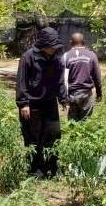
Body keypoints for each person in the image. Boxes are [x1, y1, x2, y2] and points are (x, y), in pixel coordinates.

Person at [16, 27, 68, 178]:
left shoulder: (56, 58)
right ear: (44, 44)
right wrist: (23, 103)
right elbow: (21, 81)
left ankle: (52, 167)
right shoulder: (28, 57)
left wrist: (63, 99)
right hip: (32, 104)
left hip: (50, 102)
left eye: (56, 46)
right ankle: (36, 170)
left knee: (54, 134)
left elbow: (59, 81)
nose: (54, 49)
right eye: (52, 46)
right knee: (33, 137)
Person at [64, 32, 103, 121]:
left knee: (72, 123)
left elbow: (63, 79)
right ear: (84, 42)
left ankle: (74, 135)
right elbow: (97, 77)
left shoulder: (66, 56)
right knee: (85, 121)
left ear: (71, 42)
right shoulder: (92, 55)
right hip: (86, 94)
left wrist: (63, 97)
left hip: (72, 95)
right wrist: (99, 93)